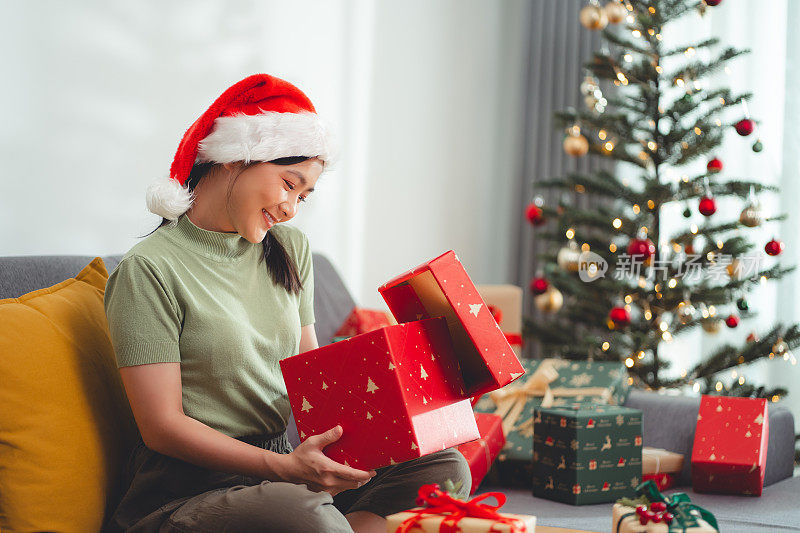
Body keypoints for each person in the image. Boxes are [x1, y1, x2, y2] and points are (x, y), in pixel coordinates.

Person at [103, 74, 471, 533]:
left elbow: (310, 381)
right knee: (300, 515)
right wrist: (288, 472)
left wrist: (410, 377)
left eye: (303, 195)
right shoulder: (149, 269)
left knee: (445, 469)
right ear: (236, 158)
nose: (291, 208)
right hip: (187, 491)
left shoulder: (290, 249)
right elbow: (161, 426)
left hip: (288, 470)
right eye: (288, 183)